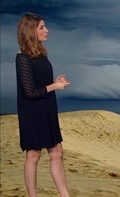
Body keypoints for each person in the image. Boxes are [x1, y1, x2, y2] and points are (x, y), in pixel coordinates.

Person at [16, 12, 71, 197]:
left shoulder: (42, 54)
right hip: (32, 111)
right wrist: (55, 86)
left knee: (57, 152)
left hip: (47, 107)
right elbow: (30, 92)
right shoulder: (22, 58)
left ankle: (65, 195)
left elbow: (41, 83)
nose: (46, 30)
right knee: (33, 155)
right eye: (41, 27)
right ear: (31, 31)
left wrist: (56, 81)